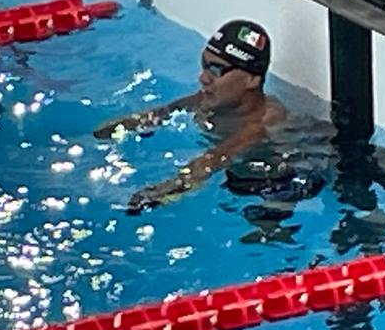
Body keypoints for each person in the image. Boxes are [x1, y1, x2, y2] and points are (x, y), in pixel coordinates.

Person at [93, 20, 287, 213]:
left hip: (273, 180)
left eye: (216, 70)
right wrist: (101, 133)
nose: (203, 78)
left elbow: (212, 161)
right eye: (204, 66)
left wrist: (159, 193)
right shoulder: (214, 100)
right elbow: (160, 114)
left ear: (252, 80)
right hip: (232, 168)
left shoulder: (262, 124)